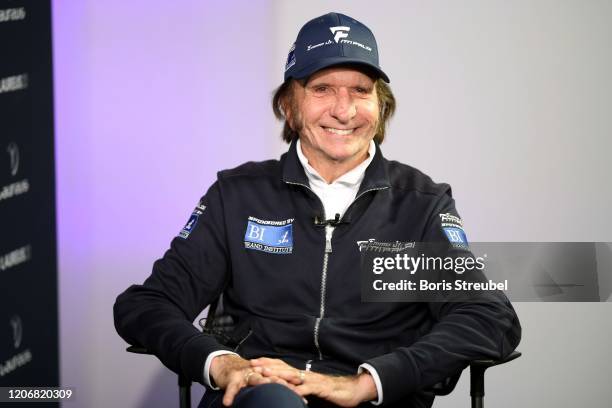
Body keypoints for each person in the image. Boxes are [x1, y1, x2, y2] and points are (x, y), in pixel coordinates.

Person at [114, 12, 521, 408]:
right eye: (322, 88)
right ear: (289, 106)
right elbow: (146, 305)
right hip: (262, 395)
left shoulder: (421, 204)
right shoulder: (236, 196)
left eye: (361, 91)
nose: (343, 110)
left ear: (380, 107)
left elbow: (488, 316)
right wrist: (221, 364)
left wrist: (367, 383)